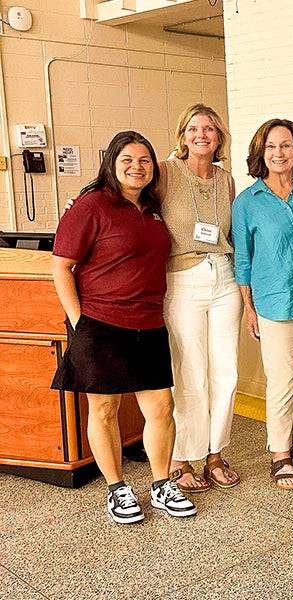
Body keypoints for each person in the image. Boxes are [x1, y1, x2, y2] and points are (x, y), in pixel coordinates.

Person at [50, 131, 197, 523]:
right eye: (128, 159)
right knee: (104, 409)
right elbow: (61, 266)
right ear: (112, 163)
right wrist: (82, 323)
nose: (137, 166)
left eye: (145, 160)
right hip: (100, 322)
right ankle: (117, 489)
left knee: (162, 407)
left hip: (148, 322)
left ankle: (162, 483)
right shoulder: (91, 205)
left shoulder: (153, 207)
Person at [232, 119, 293, 490]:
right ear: (261, 153)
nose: (279, 153)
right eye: (271, 147)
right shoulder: (247, 203)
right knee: (282, 380)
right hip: (273, 301)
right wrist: (249, 309)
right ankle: (279, 455)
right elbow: (243, 261)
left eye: (286, 146)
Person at [158, 104, 242, 492]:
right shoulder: (164, 172)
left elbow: (232, 235)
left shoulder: (227, 180)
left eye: (209, 128)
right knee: (189, 373)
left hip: (223, 277)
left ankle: (214, 453)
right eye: (193, 128)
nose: (201, 134)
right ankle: (181, 457)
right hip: (182, 279)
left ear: (219, 137)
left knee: (225, 372)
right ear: (182, 135)